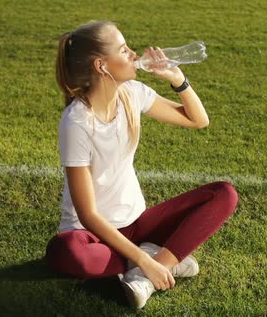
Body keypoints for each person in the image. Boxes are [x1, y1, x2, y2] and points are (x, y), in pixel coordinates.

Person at [44, 20, 238, 309]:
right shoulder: (76, 123)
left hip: (136, 224)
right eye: (123, 50)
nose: (134, 54)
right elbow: (87, 215)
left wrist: (177, 80)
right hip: (92, 235)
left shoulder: (132, 94)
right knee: (64, 251)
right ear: (102, 66)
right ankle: (159, 260)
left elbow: (198, 120)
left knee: (223, 194)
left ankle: (146, 276)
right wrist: (143, 258)